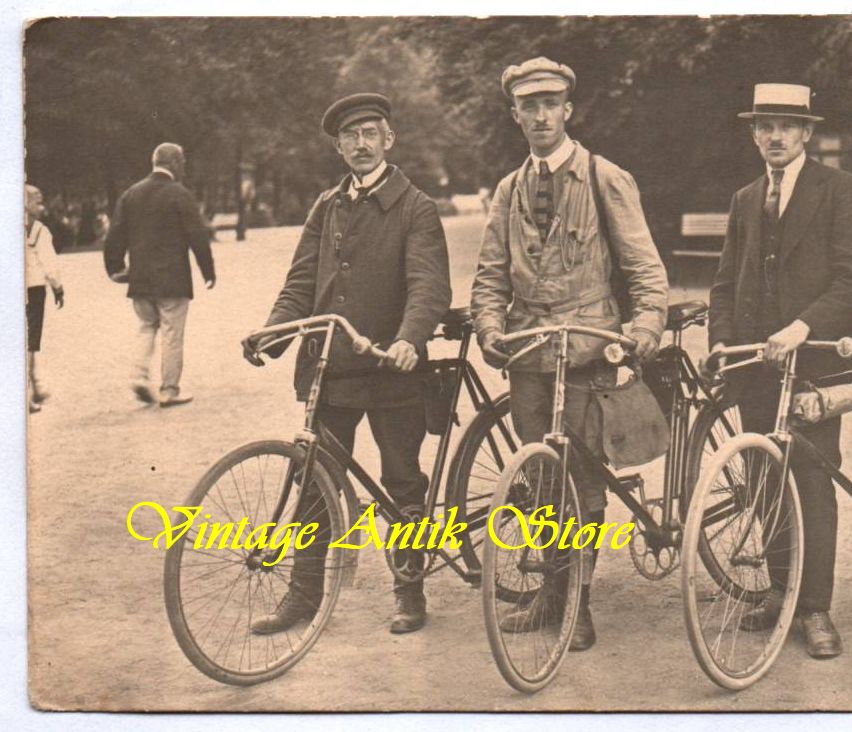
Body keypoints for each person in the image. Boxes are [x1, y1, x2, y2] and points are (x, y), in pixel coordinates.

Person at [470, 57, 669, 652]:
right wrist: (487, 326)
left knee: (582, 484)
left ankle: (576, 605)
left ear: (567, 110)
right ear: (515, 116)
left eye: (549, 104)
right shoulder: (508, 189)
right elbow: (489, 275)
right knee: (537, 480)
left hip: (589, 353)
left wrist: (645, 326)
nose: (539, 115)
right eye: (527, 106)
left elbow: (643, 267)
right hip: (530, 356)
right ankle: (548, 597)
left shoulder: (605, 177)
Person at [244, 93, 451, 636]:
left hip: (390, 370)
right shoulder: (327, 205)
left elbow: (429, 287)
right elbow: (301, 282)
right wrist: (275, 332)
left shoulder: (416, 207)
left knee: (402, 482)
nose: (361, 144)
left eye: (371, 133)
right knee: (313, 484)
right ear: (338, 147)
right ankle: (303, 596)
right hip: (329, 372)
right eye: (350, 136)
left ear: (389, 140)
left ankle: (409, 590)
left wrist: (410, 340)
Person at [705, 83, 852, 659]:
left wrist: (801, 327)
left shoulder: (841, 190)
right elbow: (726, 283)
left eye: (786, 126)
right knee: (761, 477)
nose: (774, 136)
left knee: (809, 479)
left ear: (806, 133)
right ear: (754, 135)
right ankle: (780, 588)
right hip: (755, 364)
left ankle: (816, 609)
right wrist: (723, 343)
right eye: (764, 126)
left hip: (817, 359)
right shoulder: (746, 198)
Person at [104, 142, 215, 407]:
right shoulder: (180, 194)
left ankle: (139, 376)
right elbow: (197, 235)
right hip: (173, 280)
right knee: (171, 334)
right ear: (175, 163)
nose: (184, 168)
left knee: (146, 327)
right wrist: (207, 270)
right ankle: (169, 390)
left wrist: (115, 268)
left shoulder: (130, 194)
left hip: (140, 278)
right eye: (183, 162)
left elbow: (115, 234)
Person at [25, 184, 65, 414]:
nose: (42, 206)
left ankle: (35, 384)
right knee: (30, 342)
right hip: (34, 288)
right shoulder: (38, 230)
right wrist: (58, 288)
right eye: (38, 201)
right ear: (27, 204)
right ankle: (28, 393)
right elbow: (49, 265)